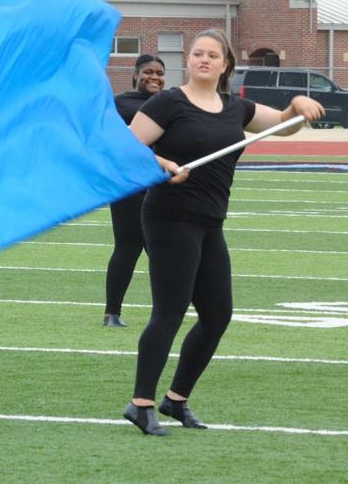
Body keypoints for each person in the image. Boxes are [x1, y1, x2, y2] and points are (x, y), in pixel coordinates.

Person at [122, 29, 323, 435]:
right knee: (170, 312)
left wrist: (296, 106)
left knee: (217, 315)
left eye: (213, 54)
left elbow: (283, 124)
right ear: (190, 60)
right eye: (197, 53)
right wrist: (159, 162)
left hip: (210, 220)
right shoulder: (168, 102)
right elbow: (123, 148)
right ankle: (141, 403)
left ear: (225, 64)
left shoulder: (235, 108)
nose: (203, 59)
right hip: (169, 216)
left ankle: (176, 400)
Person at [102, 54, 167, 328]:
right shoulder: (121, 103)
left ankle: (167, 311)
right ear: (135, 75)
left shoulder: (170, 103)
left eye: (159, 73)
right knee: (128, 247)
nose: (154, 77)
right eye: (148, 72)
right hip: (128, 185)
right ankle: (112, 312)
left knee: (164, 249)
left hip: (161, 185)